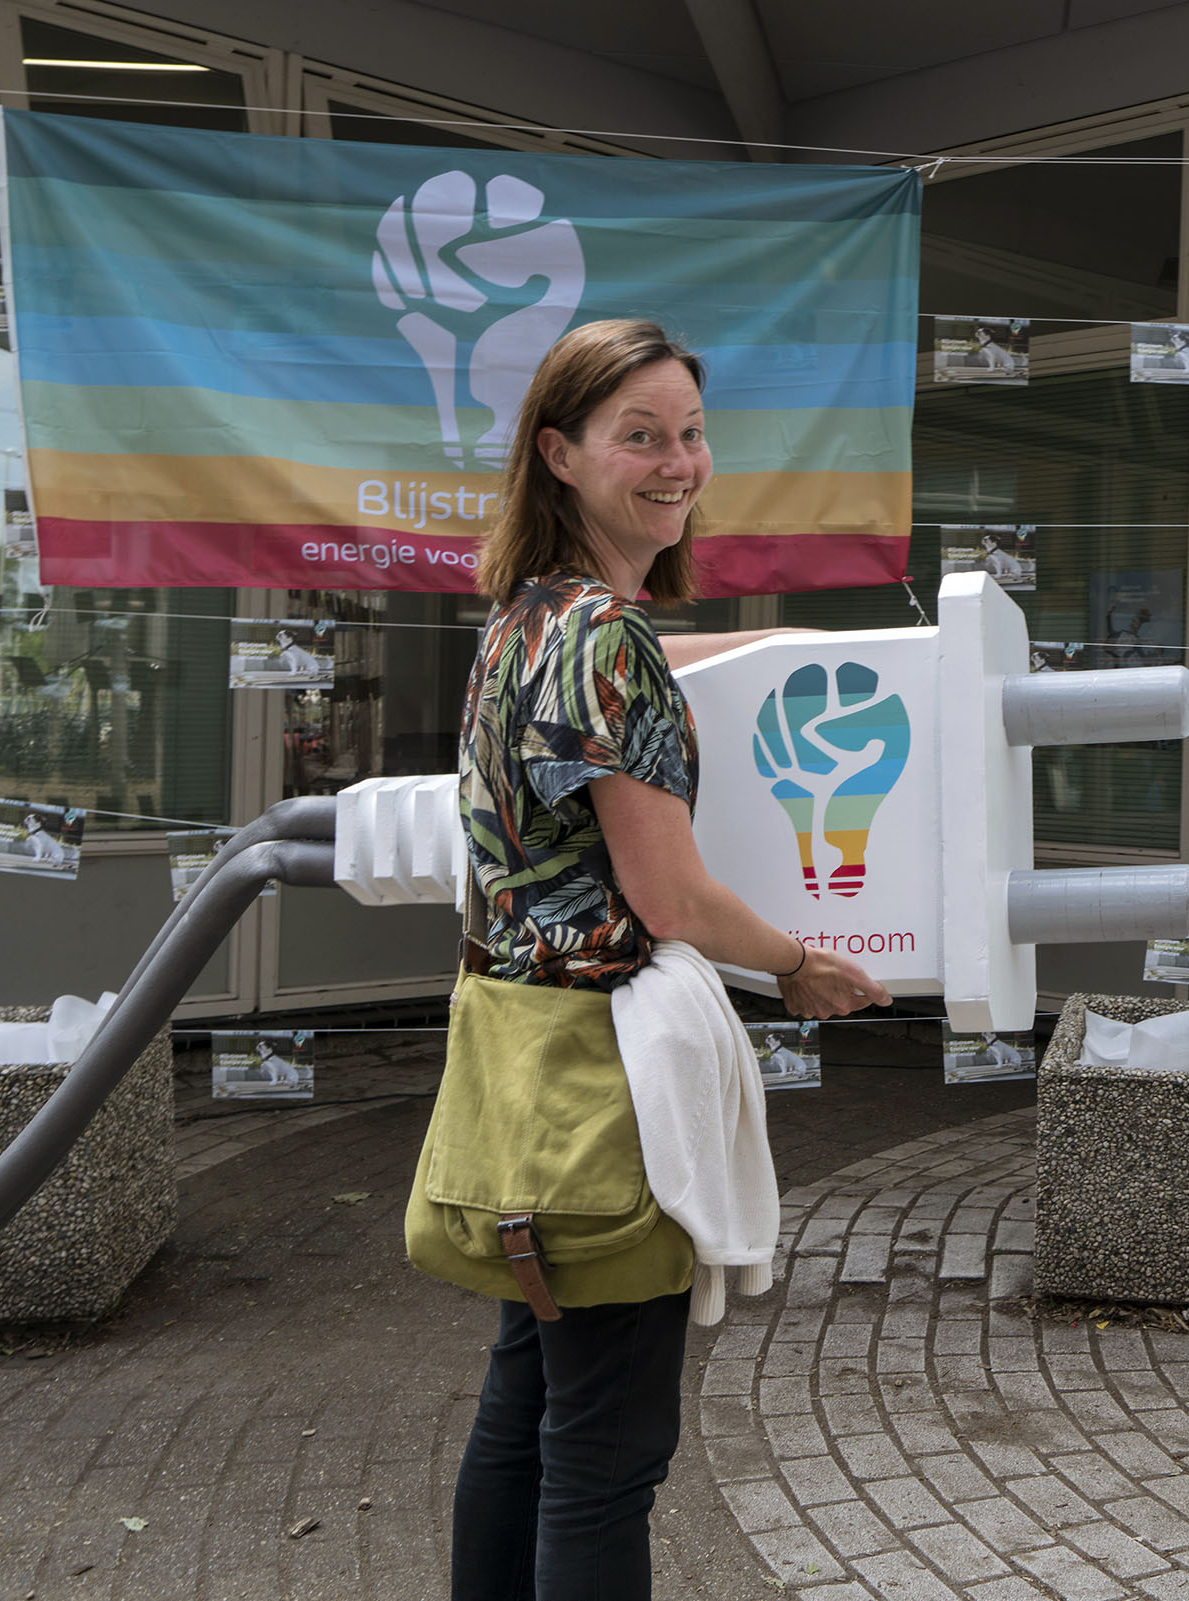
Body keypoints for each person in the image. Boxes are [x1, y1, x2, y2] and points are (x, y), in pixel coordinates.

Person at [449, 318, 890, 1601]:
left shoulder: (526, 621)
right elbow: (671, 894)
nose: (678, 462)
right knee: (605, 1451)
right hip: (606, 1076)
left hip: (518, 1056)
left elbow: (633, 675)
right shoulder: (607, 642)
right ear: (560, 454)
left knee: (526, 1402)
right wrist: (799, 963)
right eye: (639, 436)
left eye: (690, 433)